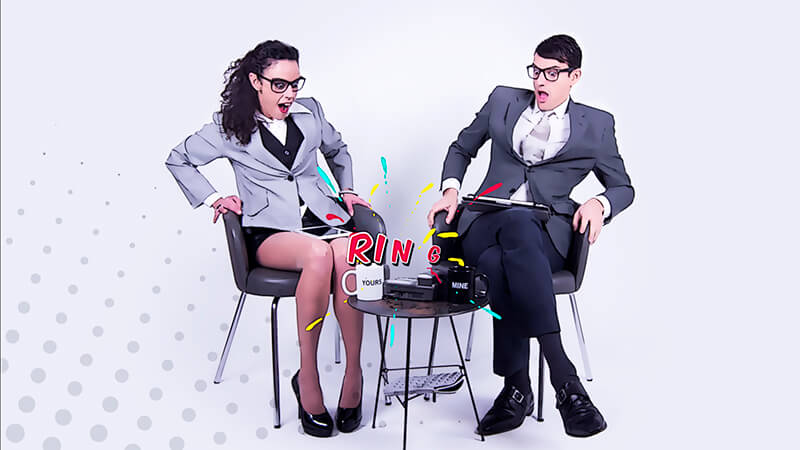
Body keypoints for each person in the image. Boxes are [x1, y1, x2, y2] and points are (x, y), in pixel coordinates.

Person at [427, 34, 634, 438]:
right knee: (513, 225)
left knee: (499, 259)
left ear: (574, 77)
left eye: (552, 73)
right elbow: (461, 148)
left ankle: (517, 389)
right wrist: (451, 188)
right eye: (536, 71)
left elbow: (623, 187)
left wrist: (600, 203)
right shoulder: (503, 100)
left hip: (545, 235)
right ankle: (565, 380)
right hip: (484, 222)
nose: (540, 81)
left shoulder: (597, 125)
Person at [165, 40, 370, 437]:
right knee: (318, 255)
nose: (289, 94)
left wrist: (345, 189)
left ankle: (353, 372)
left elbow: (337, 149)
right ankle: (307, 377)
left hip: (321, 219)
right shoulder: (228, 126)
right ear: (256, 81)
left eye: (295, 83)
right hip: (271, 231)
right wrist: (214, 197)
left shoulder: (311, 112)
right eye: (279, 85)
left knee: (348, 253)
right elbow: (179, 158)